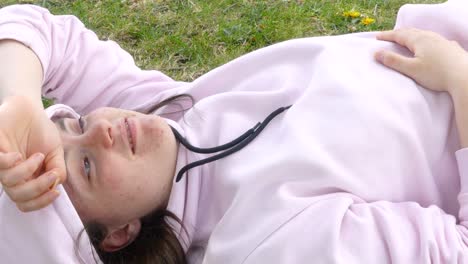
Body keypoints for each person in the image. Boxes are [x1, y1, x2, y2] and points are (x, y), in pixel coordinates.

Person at [0, 3, 468, 264]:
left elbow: (33, 28)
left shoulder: (168, 116)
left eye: (73, 123)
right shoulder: (272, 243)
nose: (101, 128)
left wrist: (18, 102)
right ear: (118, 236)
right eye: (86, 166)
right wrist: (461, 80)